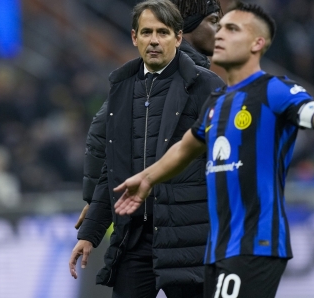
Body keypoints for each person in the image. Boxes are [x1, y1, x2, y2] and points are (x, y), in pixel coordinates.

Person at [112, 2, 314, 298]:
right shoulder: (217, 103)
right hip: (218, 248)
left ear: (257, 43)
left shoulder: (274, 90)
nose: (219, 33)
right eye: (220, 27)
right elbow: (184, 150)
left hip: (255, 244)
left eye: (233, 29)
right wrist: (147, 179)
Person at [69, 0, 224, 297]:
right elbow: (112, 167)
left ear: (178, 37)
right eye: (147, 32)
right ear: (134, 37)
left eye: (163, 32)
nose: (154, 40)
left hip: (187, 237)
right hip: (136, 236)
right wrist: (90, 233)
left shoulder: (207, 85)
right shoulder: (122, 88)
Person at [75, 0, 222, 221]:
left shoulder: (197, 75)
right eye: (213, 21)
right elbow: (102, 133)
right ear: (189, 26)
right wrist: (96, 202)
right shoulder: (165, 73)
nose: (219, 30)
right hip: (166, 217)